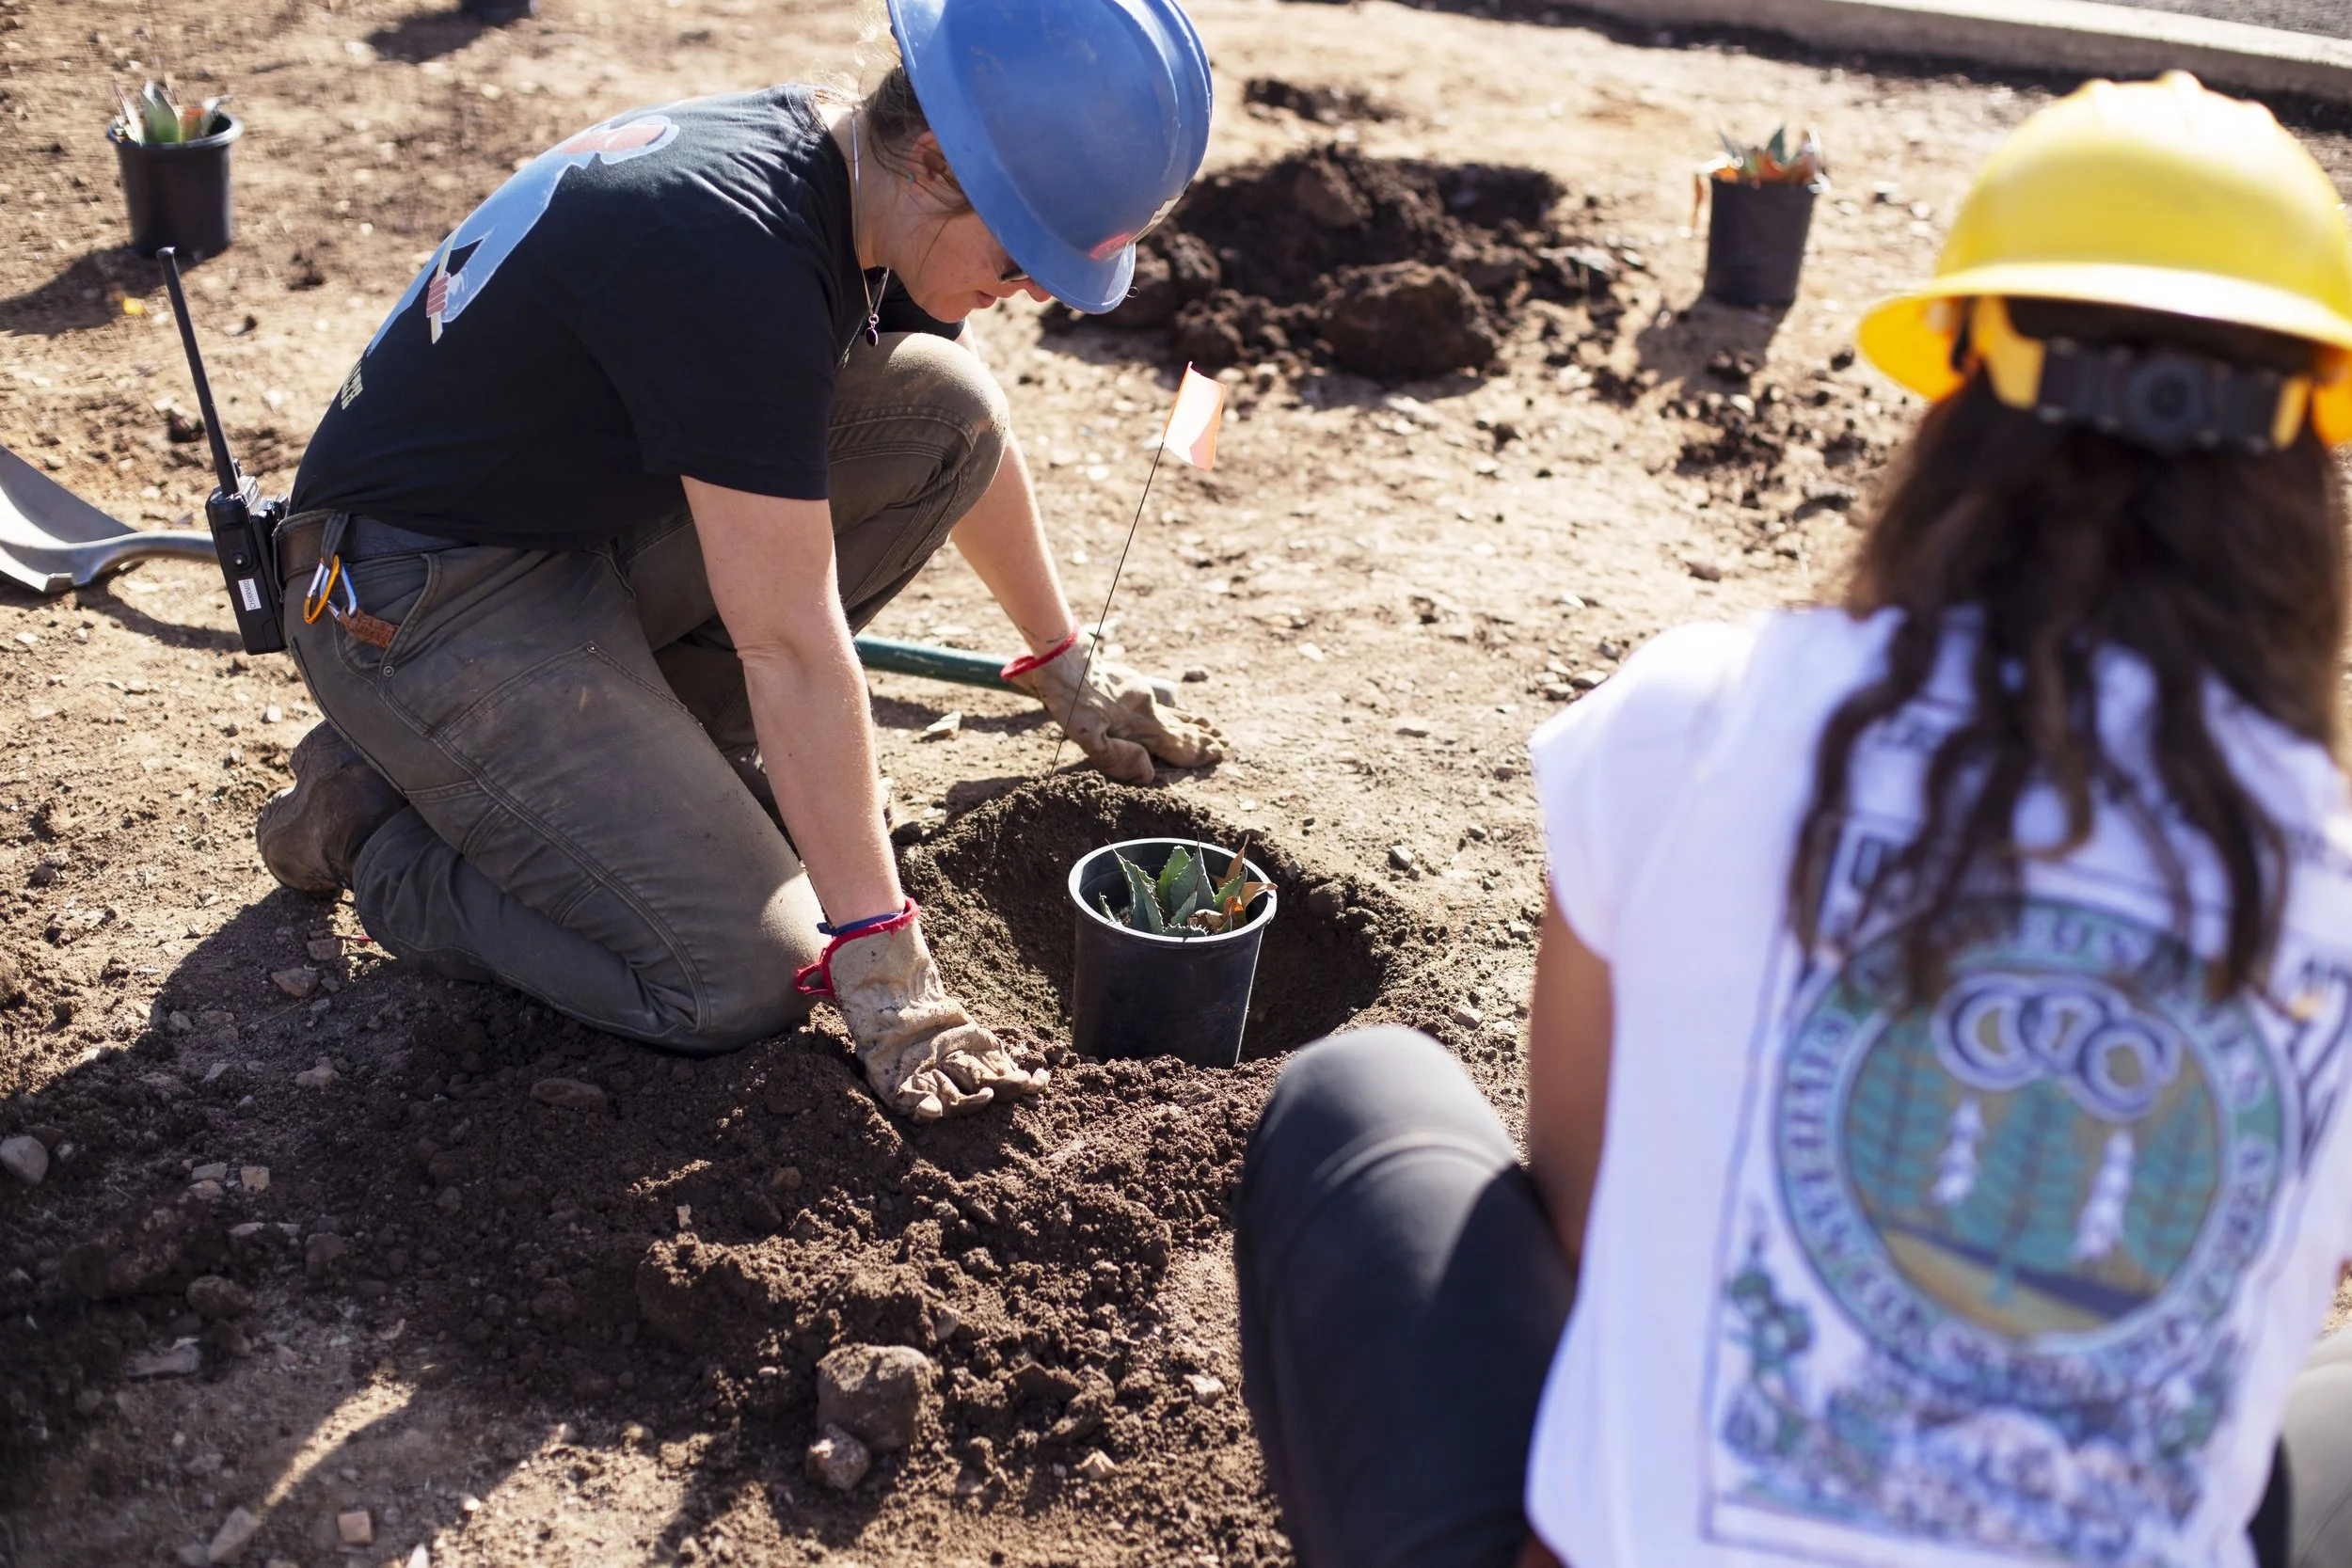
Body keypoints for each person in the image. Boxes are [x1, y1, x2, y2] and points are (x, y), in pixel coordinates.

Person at [1233, 72, 2352, 1568]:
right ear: (2301, 471)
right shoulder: (2330, 882)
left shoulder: (1698, 723)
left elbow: (1583, 1226)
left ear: (1957, 402)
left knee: (1357, 1094)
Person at [251, 0, 1221, 1121]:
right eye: (1022, 254)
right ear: (938, 161)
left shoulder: (862, 188)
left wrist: (1062, 658)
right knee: (747, 970)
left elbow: (968, 442)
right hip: (412, 596)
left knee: (943, 411)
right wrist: (886, 971)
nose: (1037, 290)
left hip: (571, 537)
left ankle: (602, 776)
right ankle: (382, 831)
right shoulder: (736, 250)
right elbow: (790, 643)